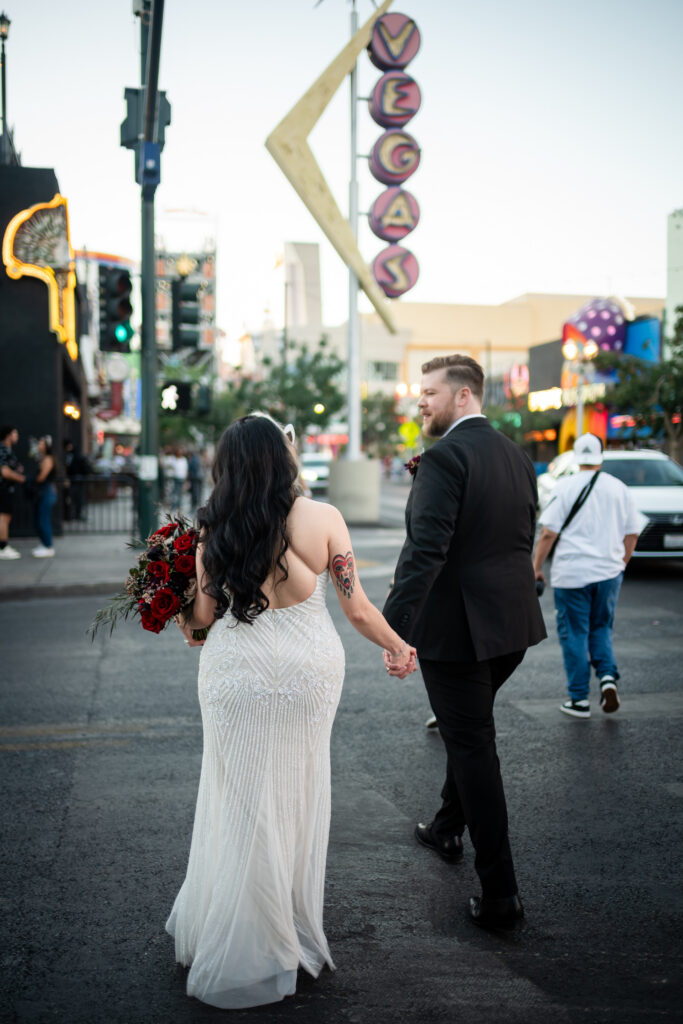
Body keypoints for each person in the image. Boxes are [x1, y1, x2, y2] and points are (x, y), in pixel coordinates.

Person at [168, 414, 416, 1009]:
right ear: (285, 458)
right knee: (296, 793)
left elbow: (200, 621)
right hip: (308, 677)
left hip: (234, 677)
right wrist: (398, 647)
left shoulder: (210, 527)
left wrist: (171, 601)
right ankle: (287, 925)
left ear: (226, 464)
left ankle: (244, 933)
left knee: (241, 799)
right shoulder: (323, 518)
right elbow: (356, 609)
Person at [382, 355, 546, 931]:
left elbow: (425, 552)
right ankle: (446, 827)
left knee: (474, 745)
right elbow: (520, 537)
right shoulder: (517, 457)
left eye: (430, 392)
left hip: (459, 633)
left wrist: (392, 630)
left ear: (465, 396)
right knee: (467, 729)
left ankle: (501, 895)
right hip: (513, 628)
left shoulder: (446, 457)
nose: (421, 402)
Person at [533, 433, 642, 719]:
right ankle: (607, 677)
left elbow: (548, 533)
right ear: (601, 455)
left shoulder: (564, 487)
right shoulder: (619, 488)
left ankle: (579, 699)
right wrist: (621, 563)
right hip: (608, 573)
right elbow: (632, 533)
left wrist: (536, 567)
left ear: (576, 456)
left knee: (574, 633)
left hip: (572, 574)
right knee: (602, 628)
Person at [0, 424, 26, 560]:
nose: (17, 436)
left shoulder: (7, 450)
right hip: (3, 488)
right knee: (3, 517)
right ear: (8, 435)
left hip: (7, 488)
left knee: (6, 517)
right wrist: (21, 478)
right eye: (15, 433)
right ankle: (2, 547)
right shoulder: (2, 449)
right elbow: (4, 472)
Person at [31, 435, 58, 558]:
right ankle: (44, 544)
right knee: (40, 519)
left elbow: (42, 477)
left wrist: (31, 480)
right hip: (43, 492)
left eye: (41, 443)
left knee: (43, 520)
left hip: (46, 492)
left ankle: (48, 546)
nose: (39, 445)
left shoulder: (48, 459)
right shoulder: (43, 458)